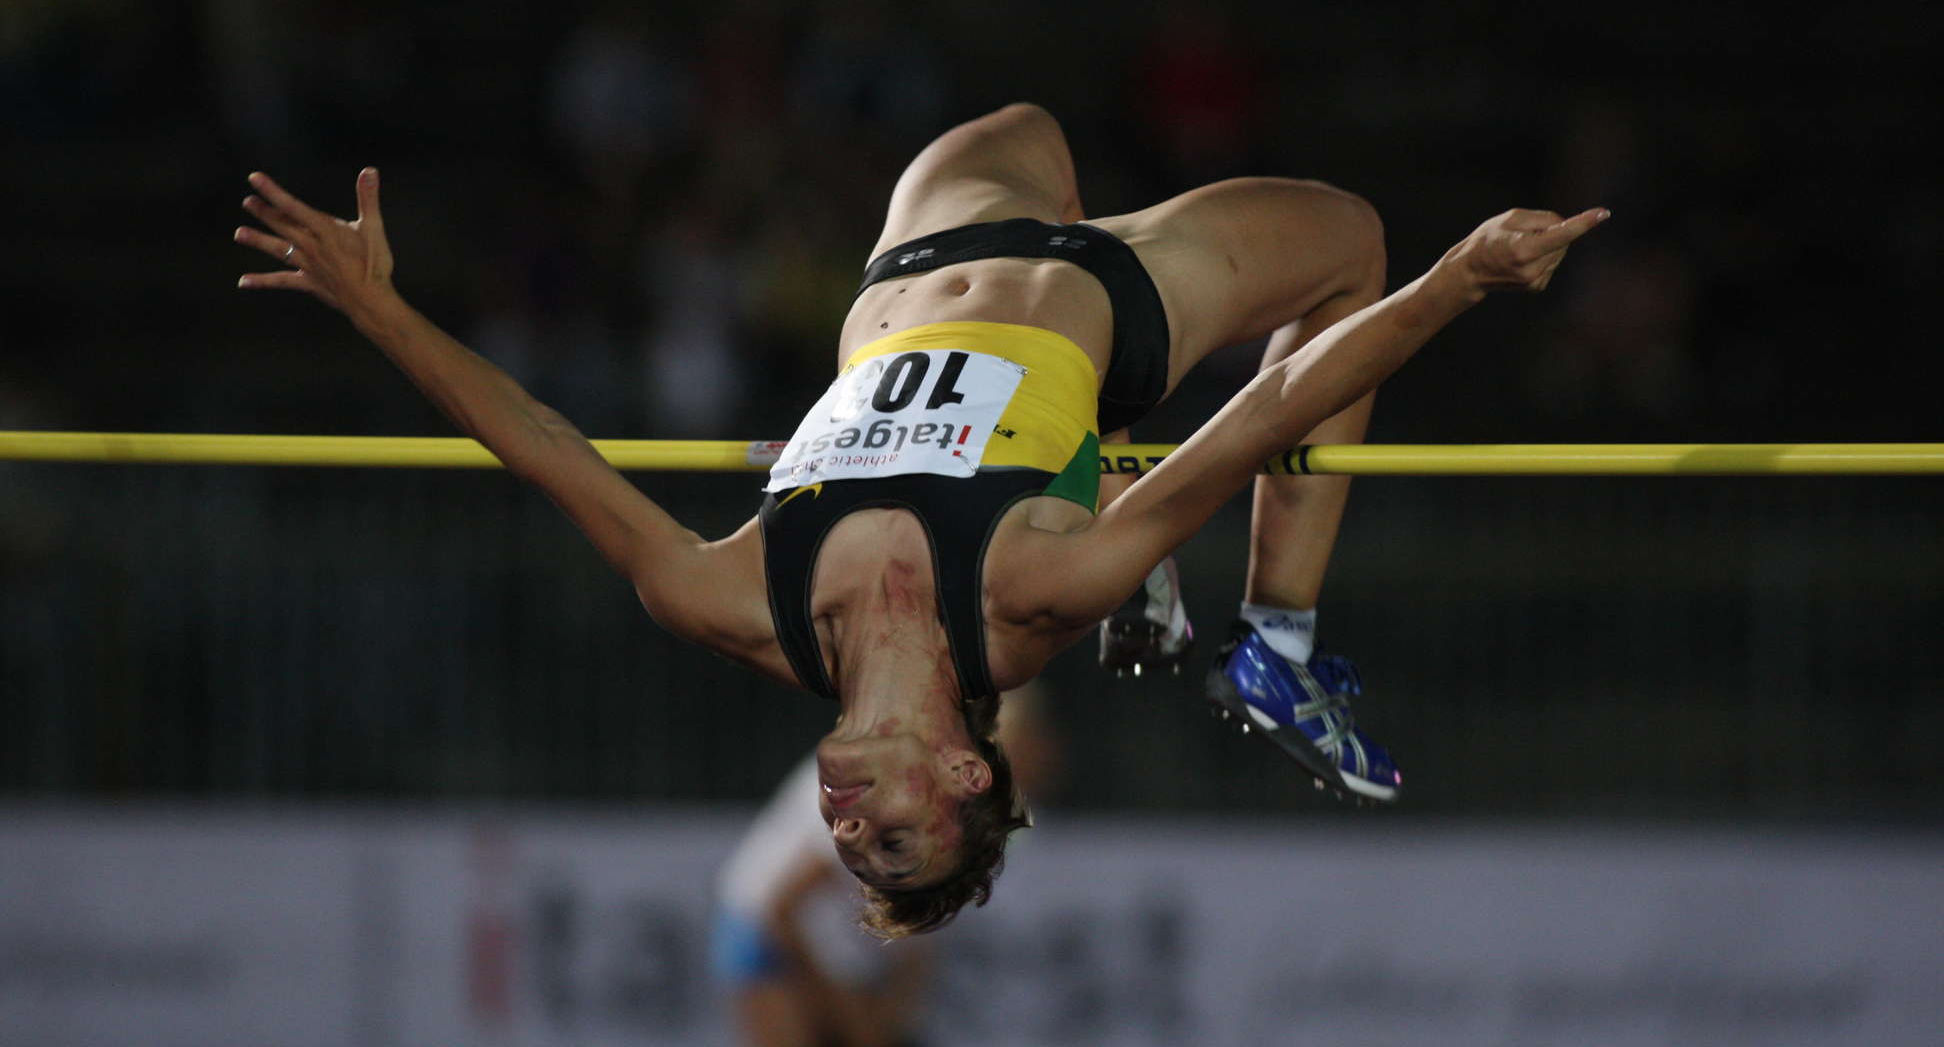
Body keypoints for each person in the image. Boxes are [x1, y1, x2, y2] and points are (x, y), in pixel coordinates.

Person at [233, 102, 1606, 937]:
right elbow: (1263, 415)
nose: (844, 831)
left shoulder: (735, 606)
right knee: (1352, 245)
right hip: (1111, 298)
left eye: (851, 851)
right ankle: (1281, 642)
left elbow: (543, 447)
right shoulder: (1026, 601)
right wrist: (1454, 282)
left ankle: (1096, 468)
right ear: (963, 774)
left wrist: (379, 310)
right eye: (892, 837)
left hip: (920, 255)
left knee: (1028, 124)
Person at [712, 686, 1062, 1047]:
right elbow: (781, 907)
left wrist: (879, 1022)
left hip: (844, 959)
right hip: (765, 931)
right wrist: (845, 1012)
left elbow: (919, 947)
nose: (1046, 758)